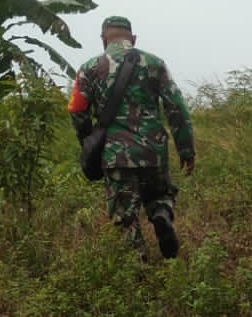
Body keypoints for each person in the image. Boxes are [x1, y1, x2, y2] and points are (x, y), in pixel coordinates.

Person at [69, 15, 196, 259]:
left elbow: (77, 111)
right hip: (154, 151)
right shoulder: (155, 63)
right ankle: (161, 214)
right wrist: (186, 149)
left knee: (126, 216)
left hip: (115, 155)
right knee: (160, 195)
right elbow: (176, 107)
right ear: (133, 39)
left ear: (104, 40)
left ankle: (139, 271)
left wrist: (88, 142)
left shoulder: (89, 68)